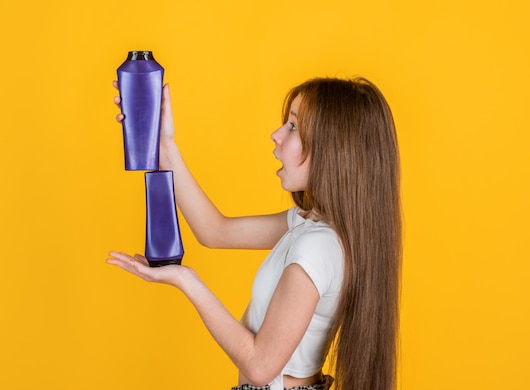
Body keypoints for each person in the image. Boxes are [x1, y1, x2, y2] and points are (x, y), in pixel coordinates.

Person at [107, 77, 402, 390]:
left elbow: (261, 366)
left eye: (292, 127)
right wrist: (165, 146)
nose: (276, 135)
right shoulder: (309, 227)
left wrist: (186, 280)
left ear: (335, 150)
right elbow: (215, 231)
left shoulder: (318, 247)